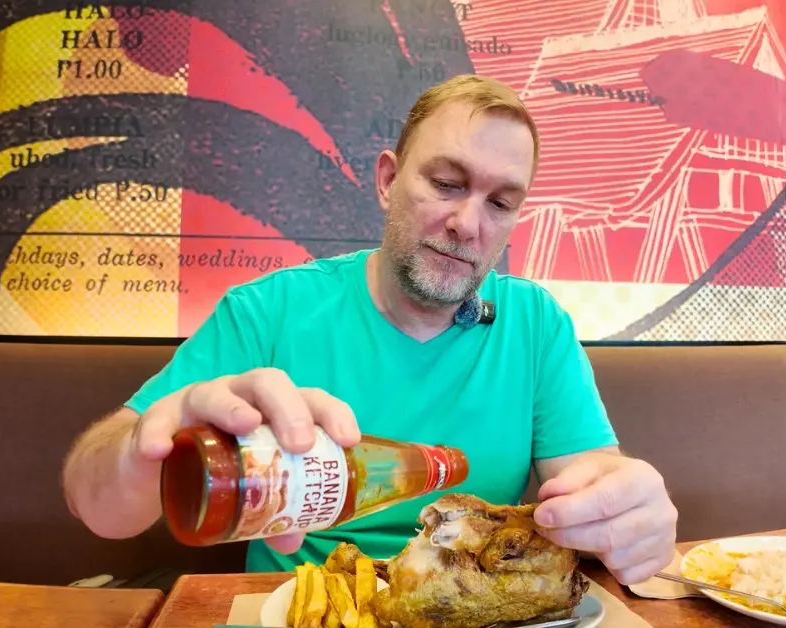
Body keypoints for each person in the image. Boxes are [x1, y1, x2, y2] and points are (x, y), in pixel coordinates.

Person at [61, 74, 678, 585]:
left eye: (500, 202)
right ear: (388, 181)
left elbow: (596, 492)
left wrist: (629, 518)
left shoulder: (537, 325)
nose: (469, 223)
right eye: (445, 183)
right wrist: (150, 439)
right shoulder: (269, 311)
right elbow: (94, 504)